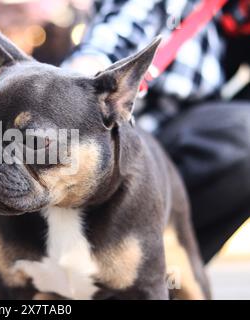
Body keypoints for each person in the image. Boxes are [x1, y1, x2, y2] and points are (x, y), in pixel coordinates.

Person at [63, 0, 250, 263]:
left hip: (176, 144)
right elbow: (122, 27)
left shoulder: (233, 15)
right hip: (133, 140)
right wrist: (80, 82)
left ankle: (166, 273)